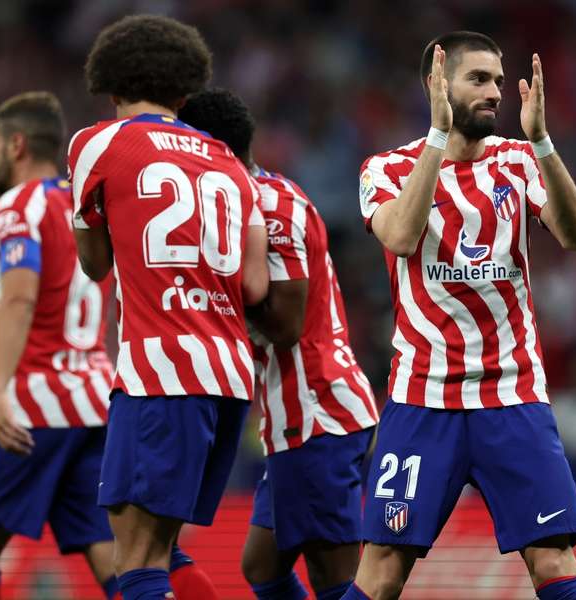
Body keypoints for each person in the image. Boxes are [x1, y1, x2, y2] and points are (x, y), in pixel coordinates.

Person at [345, 32, 576, 600]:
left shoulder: (518, 160)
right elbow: (402, 236)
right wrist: (437, 137)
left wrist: (544, 143)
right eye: (478, 80)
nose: (495, 93)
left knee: (554, 561)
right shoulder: (384, 169)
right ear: (438, 85)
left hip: (512, 395)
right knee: (381, 568)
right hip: (422, 399)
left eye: (499, 82)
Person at [68, 16, 268, 600]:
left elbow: (95, 263)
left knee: (134, 557)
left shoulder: (96, 143)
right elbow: (253, 288)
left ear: (111, 84)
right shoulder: (231, 162)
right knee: (165, 548)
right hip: (229, 375)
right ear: (186, 91)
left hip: (159, 372)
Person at [181, 89, 380, 600]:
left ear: (209, 149)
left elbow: (287, 324)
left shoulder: (274, 206)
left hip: (318, 411)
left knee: (334, 578)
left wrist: (212, 291)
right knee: (261, 566)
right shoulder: (236, 207)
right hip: (288, 415)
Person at [0, 91, 119, 599]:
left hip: (38, 405)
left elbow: (19, 299)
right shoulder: (81, 205)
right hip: (95, 399)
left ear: (17, 145)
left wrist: (2, 388)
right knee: (109, 550)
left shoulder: (17, 206)